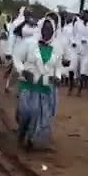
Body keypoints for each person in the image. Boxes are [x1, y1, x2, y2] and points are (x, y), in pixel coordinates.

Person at [13, 15, 68, 151]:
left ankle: (31, 140)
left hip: (43, 86)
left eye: (50, 30)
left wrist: (57, 77)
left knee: (37, 115)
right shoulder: (29, 43)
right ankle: (22, 132)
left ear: (53, 31)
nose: (47, 32)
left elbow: (58, 67)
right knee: (25, 112)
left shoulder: (56, 48)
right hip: (28, 83)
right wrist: (23, 71)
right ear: (40, 28)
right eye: (45, 29)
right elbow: (17, 58)